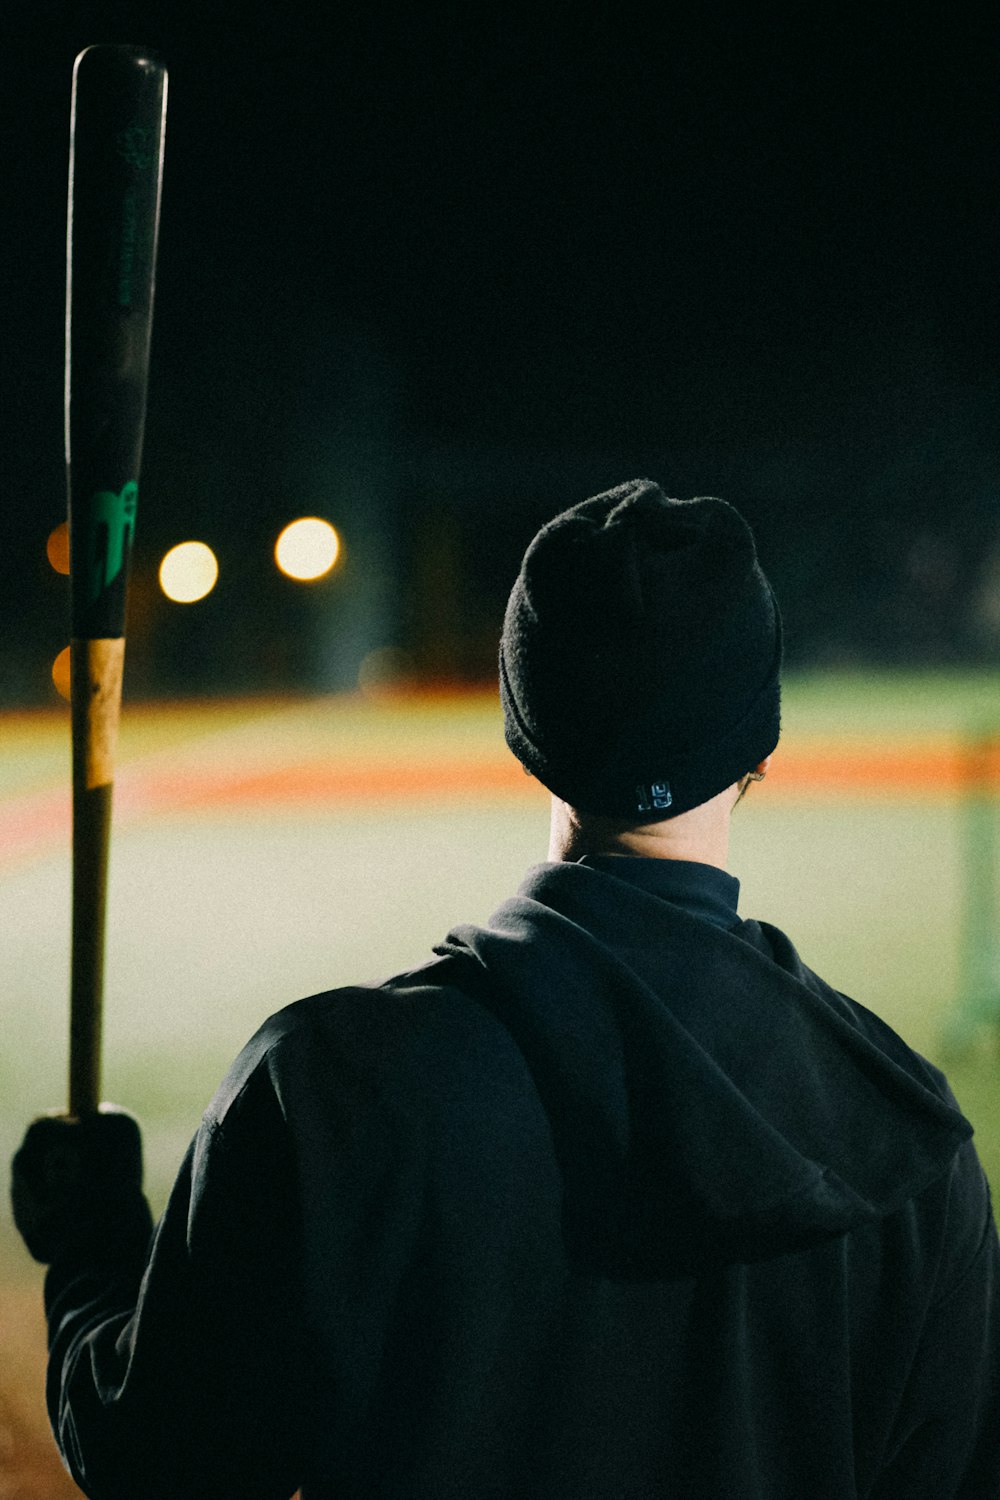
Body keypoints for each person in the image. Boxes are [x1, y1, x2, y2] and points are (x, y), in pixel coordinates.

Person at [11, 478, 1000, 1499]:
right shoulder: (909, 1137)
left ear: (526, 723)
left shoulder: (326, 1085)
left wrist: (93, 1250)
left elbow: (163, 1468)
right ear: (758, 741)